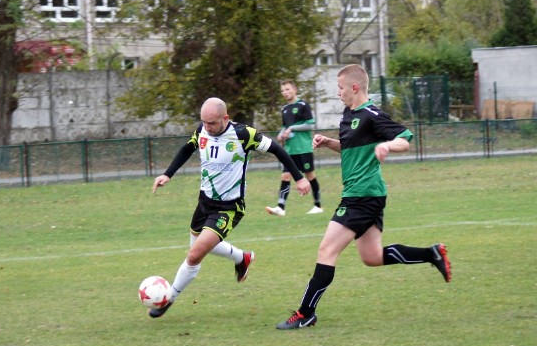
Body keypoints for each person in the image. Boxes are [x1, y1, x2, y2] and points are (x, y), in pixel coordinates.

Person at [276, 64, 451, 330]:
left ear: (354, 88)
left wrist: (387, 145)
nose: (338, 93)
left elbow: (405, 138)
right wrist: (329, 143)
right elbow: (349, 148)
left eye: (341, 88)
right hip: (365, 194)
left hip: (362, 195)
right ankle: (432, 254)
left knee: (327, 250)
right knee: (372, 257)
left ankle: (305, 313)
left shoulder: (372, 115)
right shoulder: (349, 114)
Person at [149, 97, 311, 318]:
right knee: (202, 246)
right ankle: (242, 258)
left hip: (229, 208)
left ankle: (168, 298)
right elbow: (187, 148)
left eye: (212, 123)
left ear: (225, 118)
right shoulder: (203, 130)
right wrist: (167, 174)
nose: (207, 127)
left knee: (194, 255)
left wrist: (299, 178)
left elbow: (277, 150)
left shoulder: (243, 134)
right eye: (204, 122)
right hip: (204, 202)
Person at [265, 79, 323, 217]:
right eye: (283, 91)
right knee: (285, 176)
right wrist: (280, 135)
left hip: (304, 148)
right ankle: (280, 207)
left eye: (288, 89)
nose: (285, 92)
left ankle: (318, 205)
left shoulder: (303, 105)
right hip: (290, 150)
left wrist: (292, 128)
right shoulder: (284, 109)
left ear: (295, 90)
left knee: (310, 176)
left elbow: (309, 125)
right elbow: (285, 126)